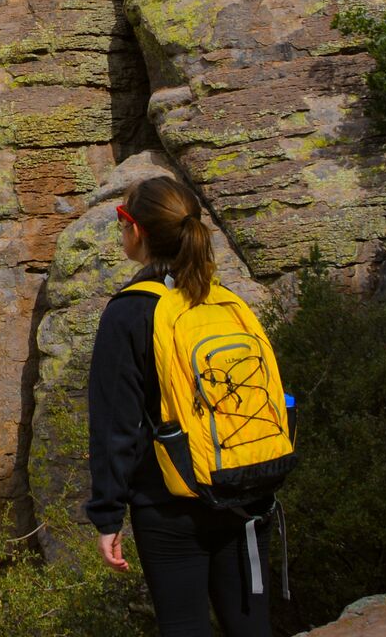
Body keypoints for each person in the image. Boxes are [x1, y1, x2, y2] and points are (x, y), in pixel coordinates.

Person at [84, 174, 272, 637]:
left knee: (184, 627)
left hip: (168, 505)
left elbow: (115, 427)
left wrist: (108, 516)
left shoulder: (127, 313)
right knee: (251, 628)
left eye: (122, 220)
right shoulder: (223, 301)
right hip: (244, 490)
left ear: (138, 231)